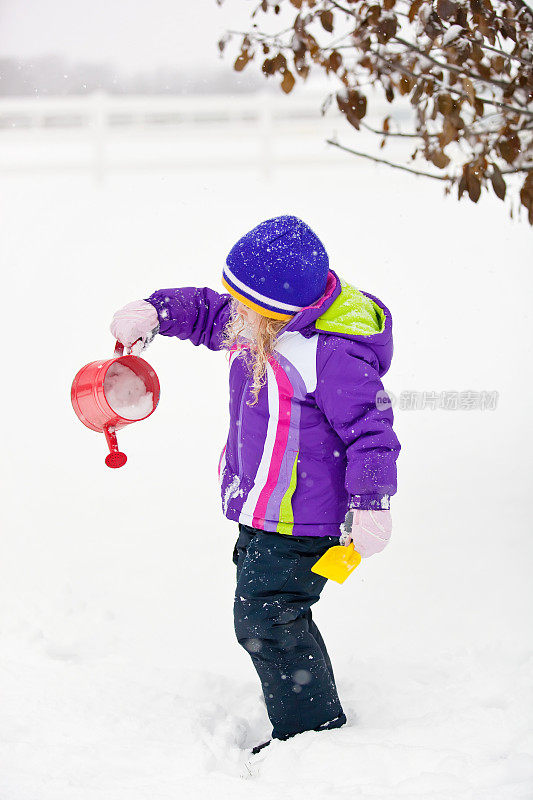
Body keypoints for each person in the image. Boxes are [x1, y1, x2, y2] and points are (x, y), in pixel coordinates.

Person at [110, 215, 400, 754]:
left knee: (268, 617)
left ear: (283, 311)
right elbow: (208, 311)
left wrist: (372, 502)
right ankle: (308, 714)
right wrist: (156, 311)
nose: (234, 315)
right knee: (271, 608)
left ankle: (311, 733)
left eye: (248, 308)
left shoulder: (331, 353)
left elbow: (372, 431)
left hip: (305, 513)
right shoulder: (261, 320)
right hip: (267, 506)